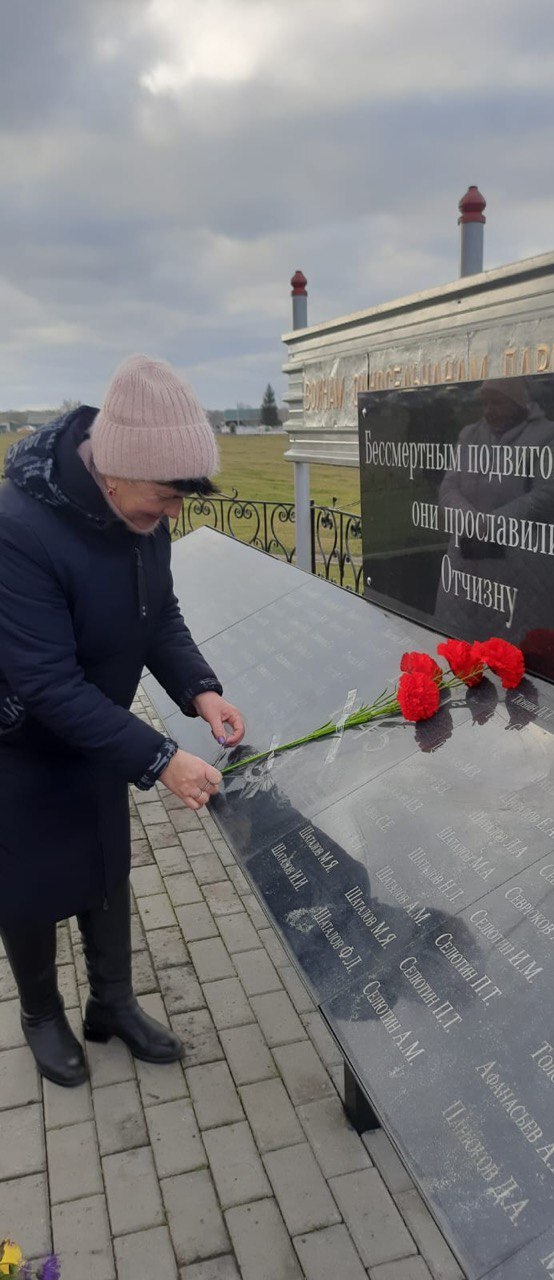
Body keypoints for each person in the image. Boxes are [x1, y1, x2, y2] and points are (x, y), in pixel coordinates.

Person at [0, 355, 245, 1088]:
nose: (172, 514)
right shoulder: (18, 530)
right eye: (167, 497)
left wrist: (200, 690)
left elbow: (157, 613)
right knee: (30, 883)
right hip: (25, 741)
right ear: (113, 470)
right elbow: (43, 680)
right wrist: (163, 758)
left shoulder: (139, 513)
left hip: (99, 731)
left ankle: (111, 1004)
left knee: (107, 870)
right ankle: (41, 1015)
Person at [434, 377, 554, 642]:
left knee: (510, 658)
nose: (488, 410)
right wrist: (471, 520)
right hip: (466, 563)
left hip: (520, 568)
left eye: (497, 402)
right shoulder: (470, 434)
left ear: (519, 403)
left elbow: (551, 492)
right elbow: (449, 487)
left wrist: (493, 524)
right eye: (484, 402)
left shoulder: (551, 435)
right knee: (457, 651)